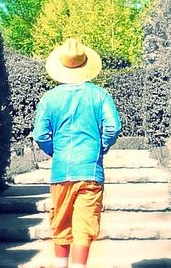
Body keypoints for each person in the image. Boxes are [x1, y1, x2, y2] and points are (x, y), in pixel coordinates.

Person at [33, 38, 121, 268]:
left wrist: (56, 152)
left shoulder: (50, 98)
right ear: (85, 64)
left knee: (60, 221)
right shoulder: (100, 95)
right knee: (86, 224)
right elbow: (113, 127)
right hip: (90, 169)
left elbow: (40, 135)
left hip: (61, 171)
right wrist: (99, 147)